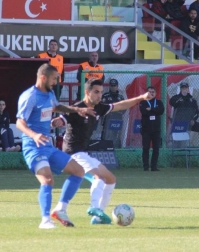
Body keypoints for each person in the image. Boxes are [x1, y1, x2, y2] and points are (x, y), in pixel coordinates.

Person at [53, 78, 150, 223]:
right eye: (96, 92)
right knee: (99, 177)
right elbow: (61, 119)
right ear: (87, 92)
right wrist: (57, 121)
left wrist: (141, 98)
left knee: (110, 179)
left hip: (83, 153)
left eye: (101, 92)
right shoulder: (77, 109)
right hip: (73, 153)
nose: (99, 95)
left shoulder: (99, 108)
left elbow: (120, 105)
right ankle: (94, 207)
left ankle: (98, 217)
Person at [16, 64, 94, 229]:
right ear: (43, 77)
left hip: (48, 147)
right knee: (47, 180)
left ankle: (60, 209)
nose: (55, 82)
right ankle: (45, 220)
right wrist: (34, 135)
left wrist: (76, 110)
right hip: (33, 146)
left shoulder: (49, 93)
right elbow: (19, 122)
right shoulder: (30, 96)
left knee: (79, 171)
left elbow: (56, 106)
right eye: (53, 79)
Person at [169, 82, 199, 148]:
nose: (184, 89)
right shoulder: (176, 98)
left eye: (186, 88)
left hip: (189, 122)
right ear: (181, 89)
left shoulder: (192, 100)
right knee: (179, 139)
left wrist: (193, 120)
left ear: (188, 89)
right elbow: (171, 102)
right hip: (179, 123)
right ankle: (177, 147)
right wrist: (180, 98)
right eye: (183, 88)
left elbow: (197, 112)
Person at [138, 86, 164, 171]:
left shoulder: (159, 102)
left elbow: (161, 111)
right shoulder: (143, 102)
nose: (151, 93)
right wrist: (154, 110)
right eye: (150, 92)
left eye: (153, 92)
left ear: (155, 93)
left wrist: (151, 109)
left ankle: (154, 167)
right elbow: (144, 112)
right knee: (146, 148)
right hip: (146, 129)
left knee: (156, 149)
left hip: (156, 130)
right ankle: (146, 166)